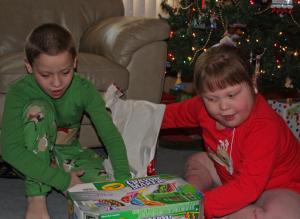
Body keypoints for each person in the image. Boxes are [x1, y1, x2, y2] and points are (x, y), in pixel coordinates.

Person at [0, 23, 131, 219]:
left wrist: (124, 182)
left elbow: (110, 135)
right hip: (31, 152)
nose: (57, 83)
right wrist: (62, 181)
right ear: (28, 67)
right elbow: (10, 149)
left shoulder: (84, 89)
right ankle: (36, 196)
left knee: (102, 188)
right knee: (38, 110)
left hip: (69, 153)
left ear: (75, 63)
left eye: (65, 72)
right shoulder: (19, 92)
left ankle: (49, 174)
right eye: (45, 75)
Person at [161, 44, 300, 219]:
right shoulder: (202, 108)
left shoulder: (265, 127)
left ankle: (200, 206)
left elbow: (248, 187)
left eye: (232, 95)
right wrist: (130, 115)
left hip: (277, 187)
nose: (224, 106)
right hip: (231, 172)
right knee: (198, 160)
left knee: (279, 214)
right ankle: (190, 196)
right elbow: (166, 116)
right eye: (212, 98)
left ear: (252, 83)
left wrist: (203, 208)